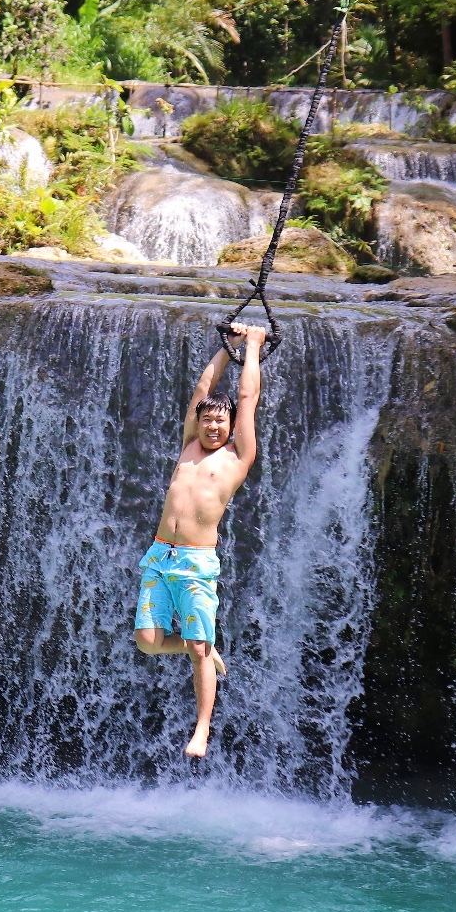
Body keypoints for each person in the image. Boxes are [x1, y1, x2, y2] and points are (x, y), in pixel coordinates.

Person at [132, 322, 267, 758]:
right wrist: (225, 349)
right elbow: (203, 386)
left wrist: (253, 344)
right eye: (207, 419)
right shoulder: (189, 445)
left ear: (230, 427)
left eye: (219, 421)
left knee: (195, 649)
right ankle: (206, 646)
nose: (212, 426)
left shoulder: (237, 457)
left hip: (195, 562)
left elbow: (247, 399)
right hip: (159, 555)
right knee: (148, 643)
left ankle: (202, 729)